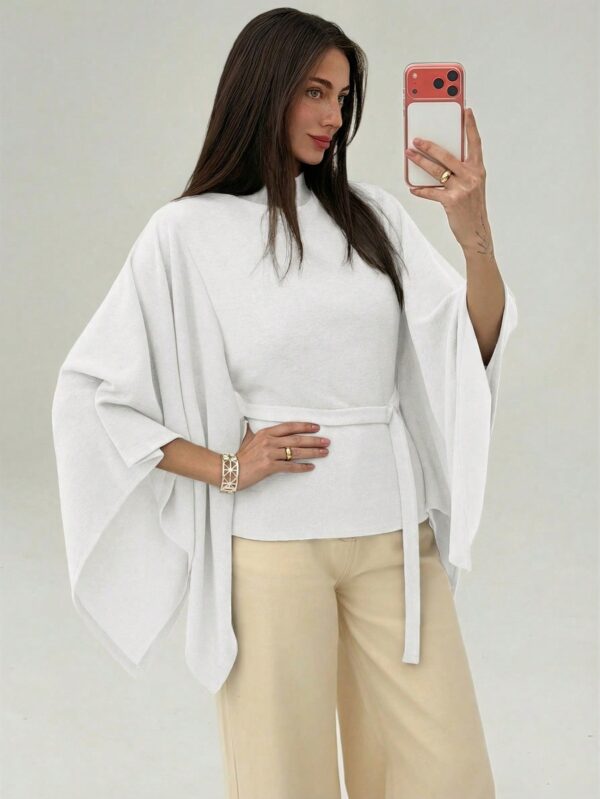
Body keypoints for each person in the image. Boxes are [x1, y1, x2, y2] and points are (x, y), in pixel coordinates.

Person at [51, 8, 518, 799]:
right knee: (283, 782)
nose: (334, 116)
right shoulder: (185, 233)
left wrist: (473, 234)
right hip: (272, 550)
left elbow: (468, 347)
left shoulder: (372, 217)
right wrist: (227, 467)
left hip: (394, 540)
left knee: (450, 776)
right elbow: (93, 394)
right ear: (262, 90)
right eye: (314, 91)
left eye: (343, 96)